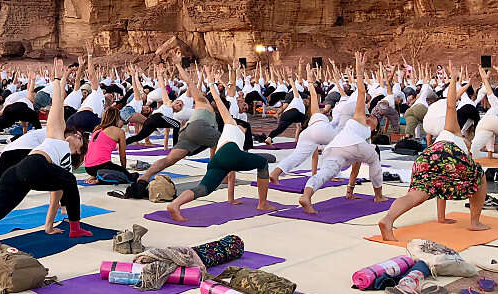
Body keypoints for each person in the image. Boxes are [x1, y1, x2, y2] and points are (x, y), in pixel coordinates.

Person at [0, 61, 91, 261]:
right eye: (74, 133)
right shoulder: (56, 137)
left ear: (79, 149)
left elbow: (55, 199)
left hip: (24, 177)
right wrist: (57, 79)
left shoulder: (64, 171)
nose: (74, 134)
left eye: (79, 137)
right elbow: (57, 107)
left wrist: (48, 227)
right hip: (26, 167)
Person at [378, 67, 489, 240]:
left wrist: (442, 219)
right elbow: (452, 104)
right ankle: (475, 222)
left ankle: (388, 219)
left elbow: (441, 185)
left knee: (415, 195)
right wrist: (453, 79)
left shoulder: (444, 135)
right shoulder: (454, 130)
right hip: (445, 153)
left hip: (427, 157)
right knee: (480, 176)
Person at [166, 65, 275, 221]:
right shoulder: (230, 123)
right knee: (263, 163)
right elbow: (217, 100)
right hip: (229, 154)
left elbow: (232, 174)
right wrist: (211, 83)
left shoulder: (232, 136)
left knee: (203, 189)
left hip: (219, 159)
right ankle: (262, 203)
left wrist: (231, 199)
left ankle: (176, 204)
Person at [298, 52, 387, 214]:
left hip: (335, 148)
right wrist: (359, 72)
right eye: (372, 116)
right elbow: (361, 93)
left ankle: (306, 196)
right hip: (347, 145)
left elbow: (355, 169)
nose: (373, 118)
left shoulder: (364, 136)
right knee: (374, 159)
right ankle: (379, 195)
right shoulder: (360, 118)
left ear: (375, 128)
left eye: (376, 119)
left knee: (324, 174)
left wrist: (350, 191)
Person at [270, 65, 336, 181]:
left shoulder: (308, 114)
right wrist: (310, 80)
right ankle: (333, 174)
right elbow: (314, 95)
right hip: (321, 129)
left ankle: (276, 173)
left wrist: (309, 81)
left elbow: (314, 95)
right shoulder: (314, 111)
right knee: (343, 147)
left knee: (296, 156)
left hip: (308, 133)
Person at [82, 104, 136, 184]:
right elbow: (122, 155)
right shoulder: (119, 132)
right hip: (101, 165)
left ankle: (98, 175)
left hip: (88, 167)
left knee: (123, 172)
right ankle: (100, 179)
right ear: (117, 118)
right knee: (131, 178)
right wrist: (123, 171)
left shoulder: (97, 130)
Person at [471, 67, 498, 162]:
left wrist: (490, 156)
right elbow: (490, 94)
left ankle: (469, 155)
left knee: (477, 143)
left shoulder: (495, 110)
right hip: (491, 120)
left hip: (482, 122)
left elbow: (490, 139)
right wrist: (485, 80)